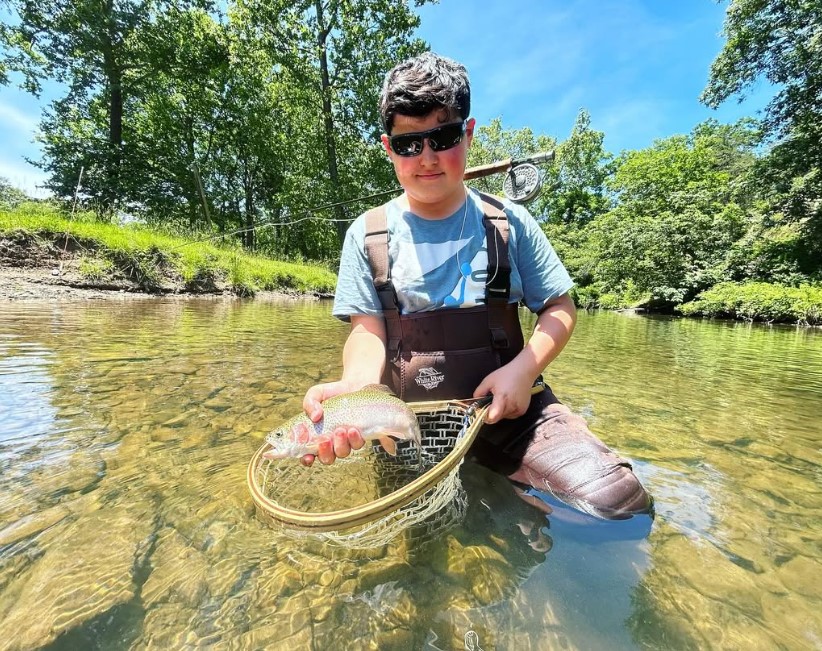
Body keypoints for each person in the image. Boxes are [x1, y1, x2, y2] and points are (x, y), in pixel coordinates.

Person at [299, 52, 652, 520]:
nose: (426, 157)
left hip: (511, 413)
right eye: (409, 143)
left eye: (443, 137)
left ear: (467, 134)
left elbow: (561, 306)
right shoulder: (366, 235)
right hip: (407, 421)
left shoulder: (510, 222)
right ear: (389, 148)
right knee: (420, 547)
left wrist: (524, 371)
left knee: (619, 502)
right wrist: (357, 391)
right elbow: (367, 333)